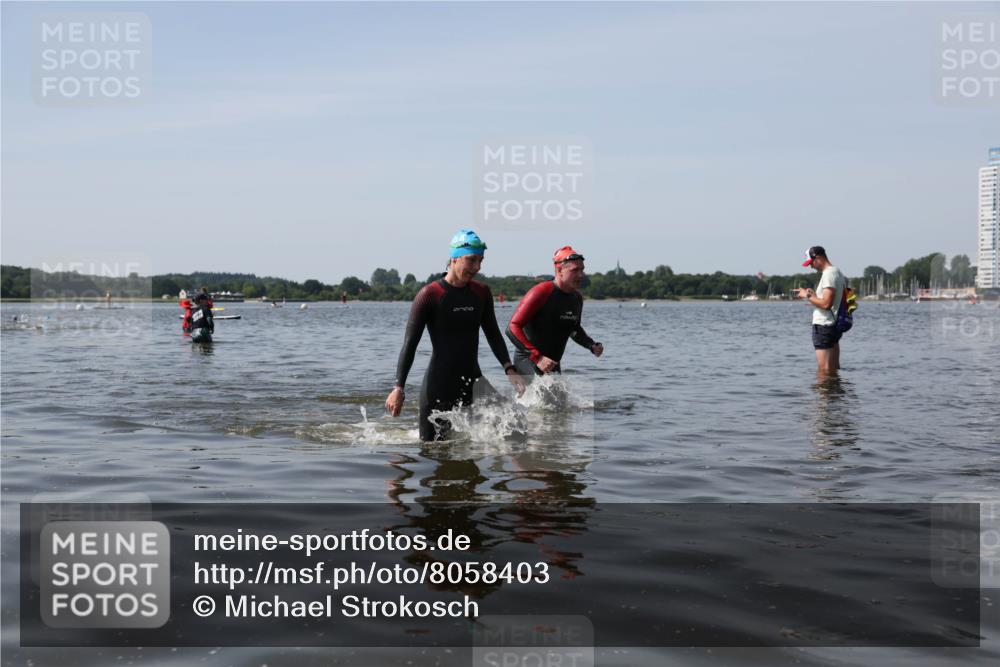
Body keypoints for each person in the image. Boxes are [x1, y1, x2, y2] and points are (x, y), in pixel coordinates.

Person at [385, 229, 525, 441]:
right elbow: (410, 344)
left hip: (473, 382)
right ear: (454, 259)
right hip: (438, 387)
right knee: (433, 451)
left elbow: (493, 333)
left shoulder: (481, 293)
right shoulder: (430, 295)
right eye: (471, 260)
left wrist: (509, 368)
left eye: (480, 260)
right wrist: (398, 388)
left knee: (516, 426)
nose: (477, 267)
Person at [506, 246, 603, 379]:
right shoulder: (541, 292)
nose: (581, 275)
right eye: (575, 270)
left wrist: (591, 345)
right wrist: (537, 357)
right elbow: (512, 327)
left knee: (560, 400)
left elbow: (574, 329)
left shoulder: (577, 298)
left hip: (552, 364)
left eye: (582, 269)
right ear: (559, 270)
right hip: (529, 361)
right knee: (543, 399)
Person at [794, 246, 846, 374]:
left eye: (811, 263)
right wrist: (814, 296)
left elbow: (826, 304)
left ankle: (824, 393)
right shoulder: (836, 272)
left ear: (818, 258)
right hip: (832, 325)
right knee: (833, 370)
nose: (811, 267)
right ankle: (834, 394)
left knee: (824, 371)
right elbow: (829, 302)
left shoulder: (829, 274)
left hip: (824, 326)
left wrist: (806, 295)